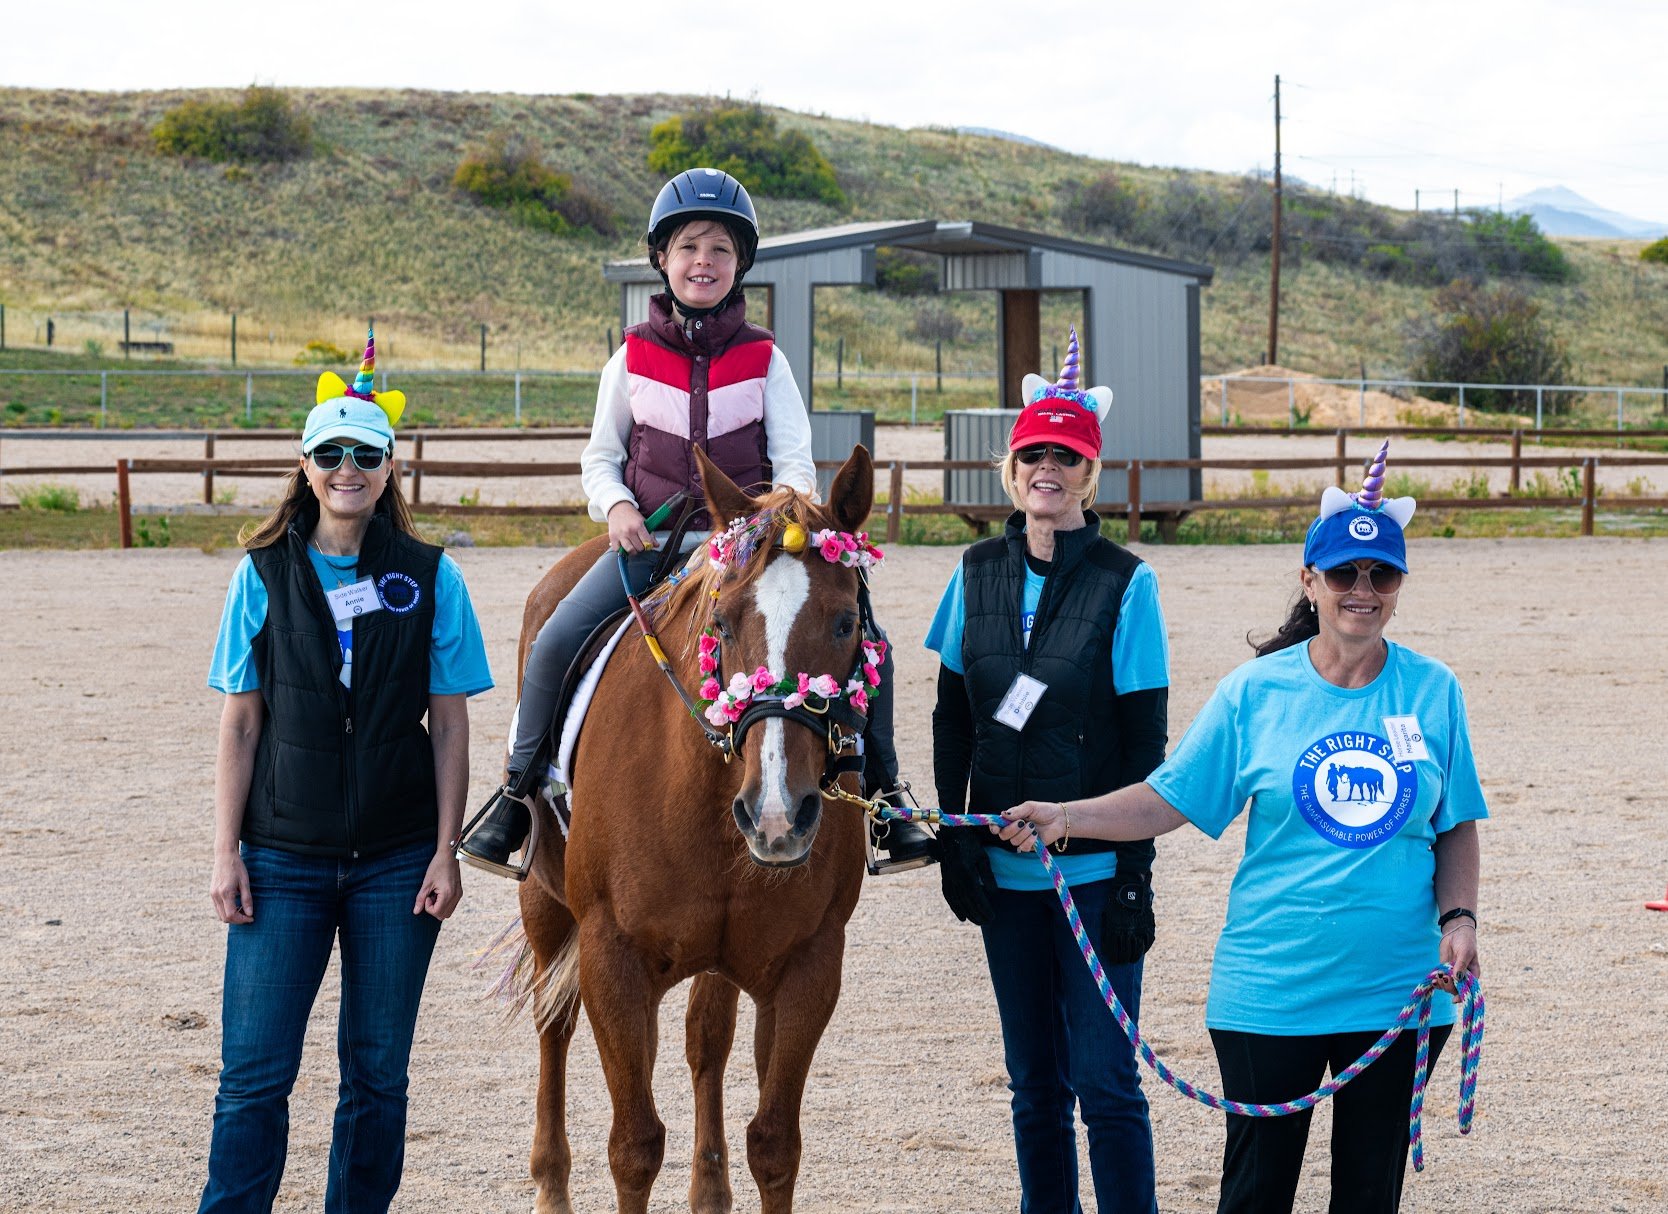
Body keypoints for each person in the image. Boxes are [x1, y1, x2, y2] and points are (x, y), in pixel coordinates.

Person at [999, 441, 1486, 1214]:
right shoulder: (1254, 692)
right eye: (1343, 574)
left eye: (1381, 574)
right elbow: (1167, 800)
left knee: (1370, 1196)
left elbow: (1455, 821)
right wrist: (1068, 817)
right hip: (1272, 988)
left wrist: (1459, 918)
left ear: (1397, 586)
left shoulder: (1434, 689)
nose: (1362, 590)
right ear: (1310, 580)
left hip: (1400, 991)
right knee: (1255, 1196)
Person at [459, 166, 929, 877]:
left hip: (750, 553)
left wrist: (777, 525)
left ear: (739, 265)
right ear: (662, 260)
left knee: (874, 645)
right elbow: (600, 455)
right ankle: (516, 795)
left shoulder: (766, 359)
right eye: (687, 247)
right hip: (652, 545)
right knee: (555, 637)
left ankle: (888, 801)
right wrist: (615, 506)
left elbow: (796, 462)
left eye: (719, 249)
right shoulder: (630, 358)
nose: (702, 261)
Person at [199, 332, 493, 1213]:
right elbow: (241, 721)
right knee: (253, 1078)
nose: (346, 469)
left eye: (365, 454)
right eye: (330, 453)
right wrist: (226, 852)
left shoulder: (431, 577)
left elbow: (448, 722)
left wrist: (447, 850)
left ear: (389, 467)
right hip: (281, 856)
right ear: (305, 462)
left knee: (377, 1080)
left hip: (396, 861)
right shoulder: (262, 573)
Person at [925, 331, 1170, 1214]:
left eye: (1066, 456)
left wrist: (1138, 874)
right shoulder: (976, 571)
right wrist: (954, 838)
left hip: (1096, 877)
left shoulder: (1126, 583)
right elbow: (955, 712)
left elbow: (1146, 739)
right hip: (1005, 871)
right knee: (1034, 1088)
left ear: (1090, 472)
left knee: (1107, 1085)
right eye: (1034, 453)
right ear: (1012, 465)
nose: (1048, 469)